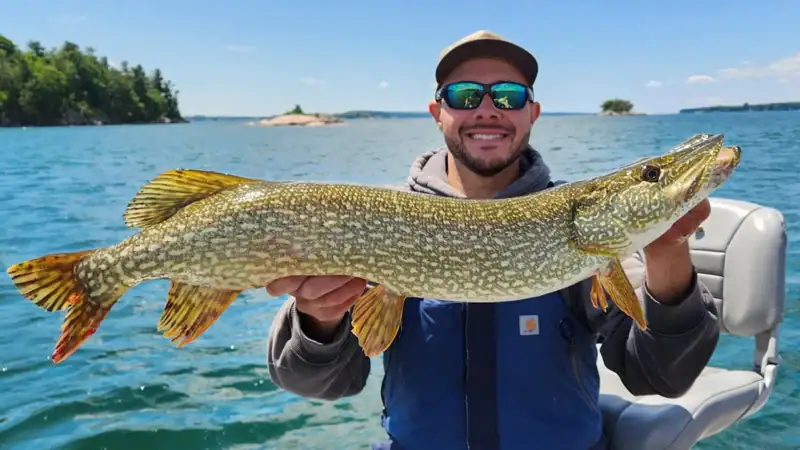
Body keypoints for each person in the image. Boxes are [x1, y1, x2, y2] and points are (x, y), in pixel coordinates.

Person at [265, 30, 720, 450]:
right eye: (464, 95)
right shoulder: (375, 221)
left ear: (532, 113)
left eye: (508, 94)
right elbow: (316, 384)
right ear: (437, 112)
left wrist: (668, 254)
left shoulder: (586, 237)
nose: (488, 109)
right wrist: (318, 321)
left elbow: (661, 374)